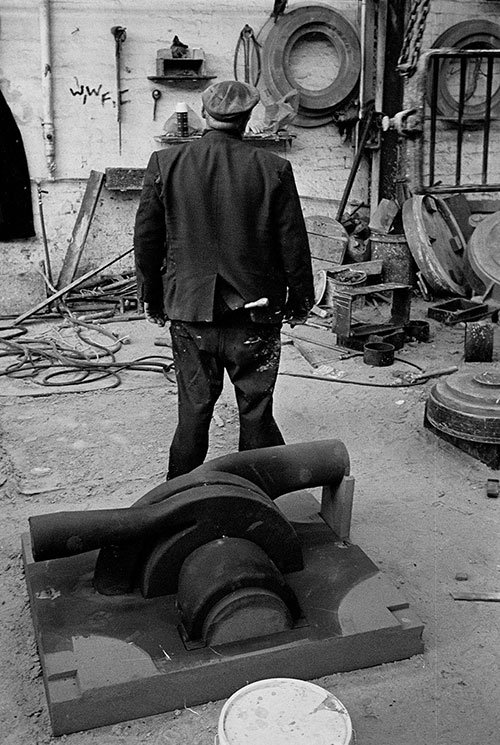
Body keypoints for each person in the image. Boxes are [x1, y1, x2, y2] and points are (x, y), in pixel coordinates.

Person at [134, 80, 314, 479]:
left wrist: (153, 298)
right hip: (256, 316)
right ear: (247, 120)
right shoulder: (274, 169)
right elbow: (294, 245)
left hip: (190, 312)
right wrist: (301, 301)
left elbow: (146, 241)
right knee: (256, 411)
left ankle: (178, 498)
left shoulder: (166, 164)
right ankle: (255, 502)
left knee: (194, 412)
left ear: (204, 112)